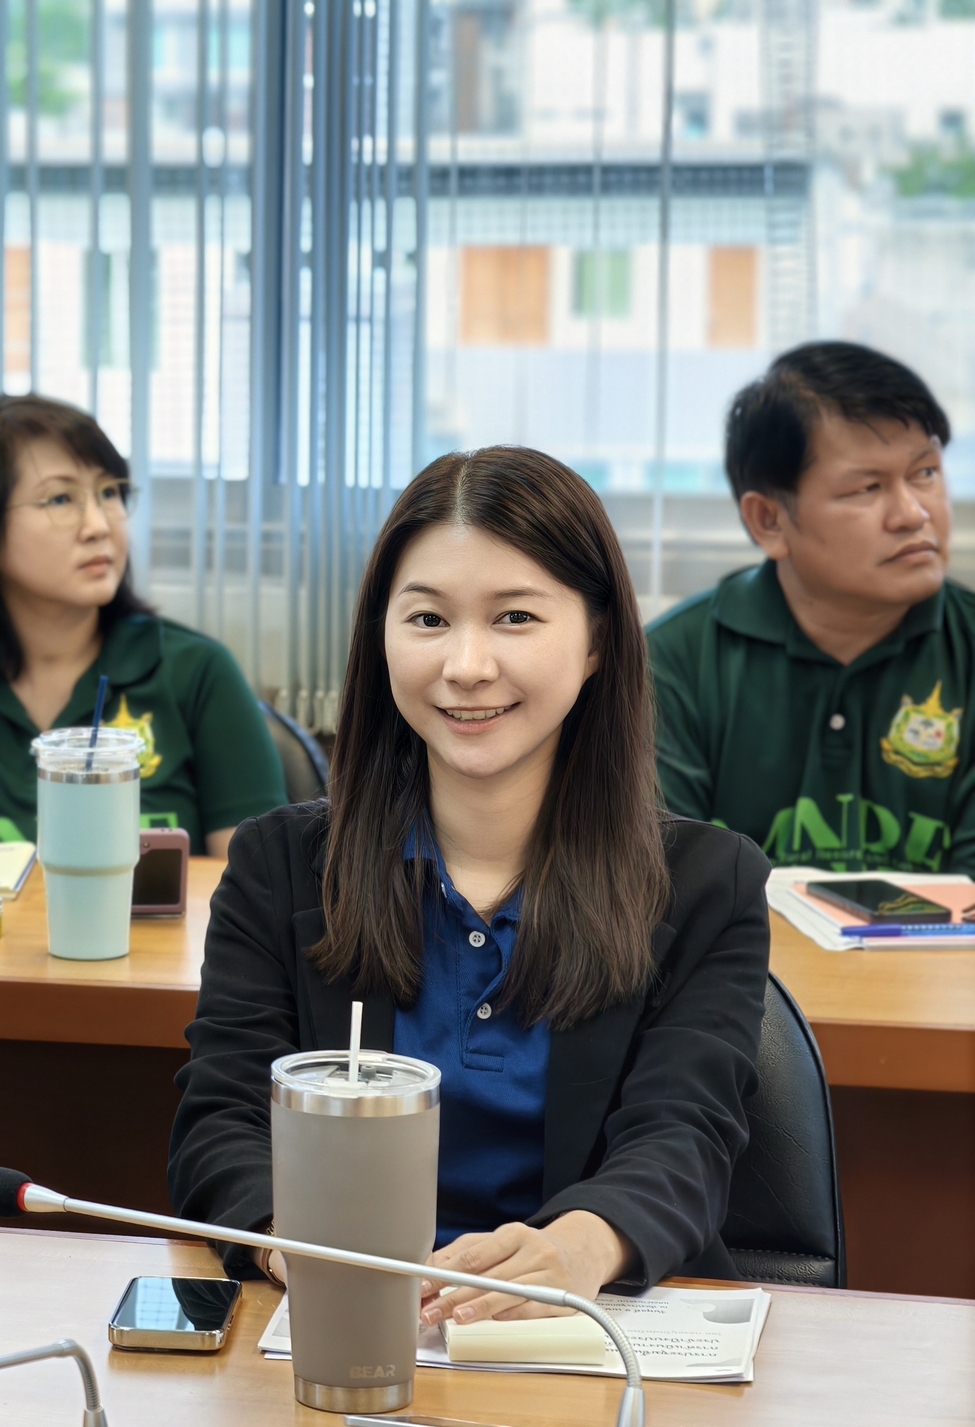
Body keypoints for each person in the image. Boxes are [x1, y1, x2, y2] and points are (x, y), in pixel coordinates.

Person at [169, 446, 769, 1327]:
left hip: (580, 1328)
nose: (467, 664)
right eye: (428, 619)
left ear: (598, 641)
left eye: (515, 617)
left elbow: (687, 1132)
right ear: (381, 636)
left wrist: (583, 1246)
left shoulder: (707, 883)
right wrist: (288, 1239)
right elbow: (221, 1120)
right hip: (342, 1323)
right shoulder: (280, 865)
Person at [0, 395, 286, 857]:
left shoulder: (197, 672)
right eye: (60, 499)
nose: (99, 526)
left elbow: (259, 884)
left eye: (109, 493)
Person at [648, 342, 974, 874]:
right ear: (769, 521)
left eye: (926, 473)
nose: (914, 514)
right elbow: (661, 886)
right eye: (868, 487)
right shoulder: (670, 664)